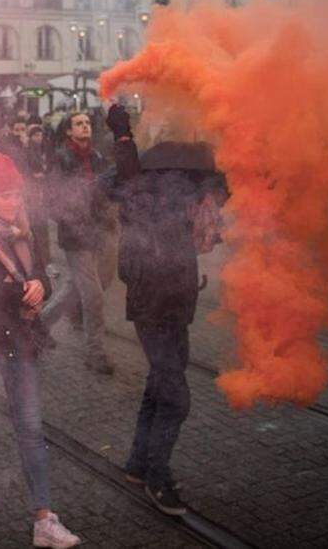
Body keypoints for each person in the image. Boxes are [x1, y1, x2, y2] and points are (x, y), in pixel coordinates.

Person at [0, 151, 80, 549]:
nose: (14, 203)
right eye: (6, 196)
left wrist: (39, 284)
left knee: (31, 426)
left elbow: (39, 272)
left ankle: (44, 518)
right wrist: (20, 292)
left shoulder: (26, 235)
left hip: (20, 344)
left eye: (17, 196)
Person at [106, 105, 225, 517]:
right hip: (151, 306)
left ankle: (138, 465)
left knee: (160, 385)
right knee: (176, 398)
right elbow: (124, 180)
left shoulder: (183, 192)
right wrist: (122, 137)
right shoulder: (142, 191)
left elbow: (199, 239)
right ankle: (158, 478)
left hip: (176, 302)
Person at [49, 111, 116, 375]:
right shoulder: (61, 158)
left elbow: (106, 192)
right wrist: (73, 219)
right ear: (68, 131)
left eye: (87, 123)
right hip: (76, 237)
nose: (85, 126)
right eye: (79, 123)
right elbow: (53, 199)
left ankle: (39, 327)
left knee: (74, 288)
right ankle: (95, 352)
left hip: (98, 232)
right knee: (93, 295)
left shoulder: (98, 158)